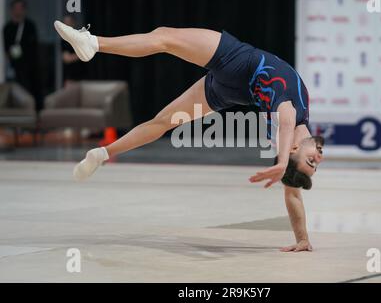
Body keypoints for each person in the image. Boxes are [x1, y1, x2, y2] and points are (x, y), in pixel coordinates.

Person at [54, 21, 324, 252]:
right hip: (235, 89)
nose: (319, 160)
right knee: (162, 119)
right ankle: (104, 153)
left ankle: (93, 44)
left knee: (165, 38)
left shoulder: (289, 118)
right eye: (316, 164)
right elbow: (293, 190)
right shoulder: (294, 130)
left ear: (293, 149)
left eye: (310, 163)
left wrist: (280, 162)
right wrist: (302, 238)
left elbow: (287, 129)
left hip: (238, 62)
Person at [3, 0, 41, 110]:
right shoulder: (7, 28)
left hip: (32, 67)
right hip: (17, 68)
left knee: (34, 92)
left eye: (21, 8)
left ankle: (36, 117)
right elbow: (7, 50)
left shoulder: (30, 26)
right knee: (18, 93)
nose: (18, 11)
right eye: (16, 8)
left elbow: (34, 47)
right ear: (12, 10)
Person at [60, 15, 86, 84]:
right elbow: (67, 59)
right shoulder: (64, 40)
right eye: (65, 23)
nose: (66, 25)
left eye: (68, 23)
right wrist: (82, 54)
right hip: (70, 77)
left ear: (73, 23)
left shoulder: (79, 38)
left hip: (82, 75)